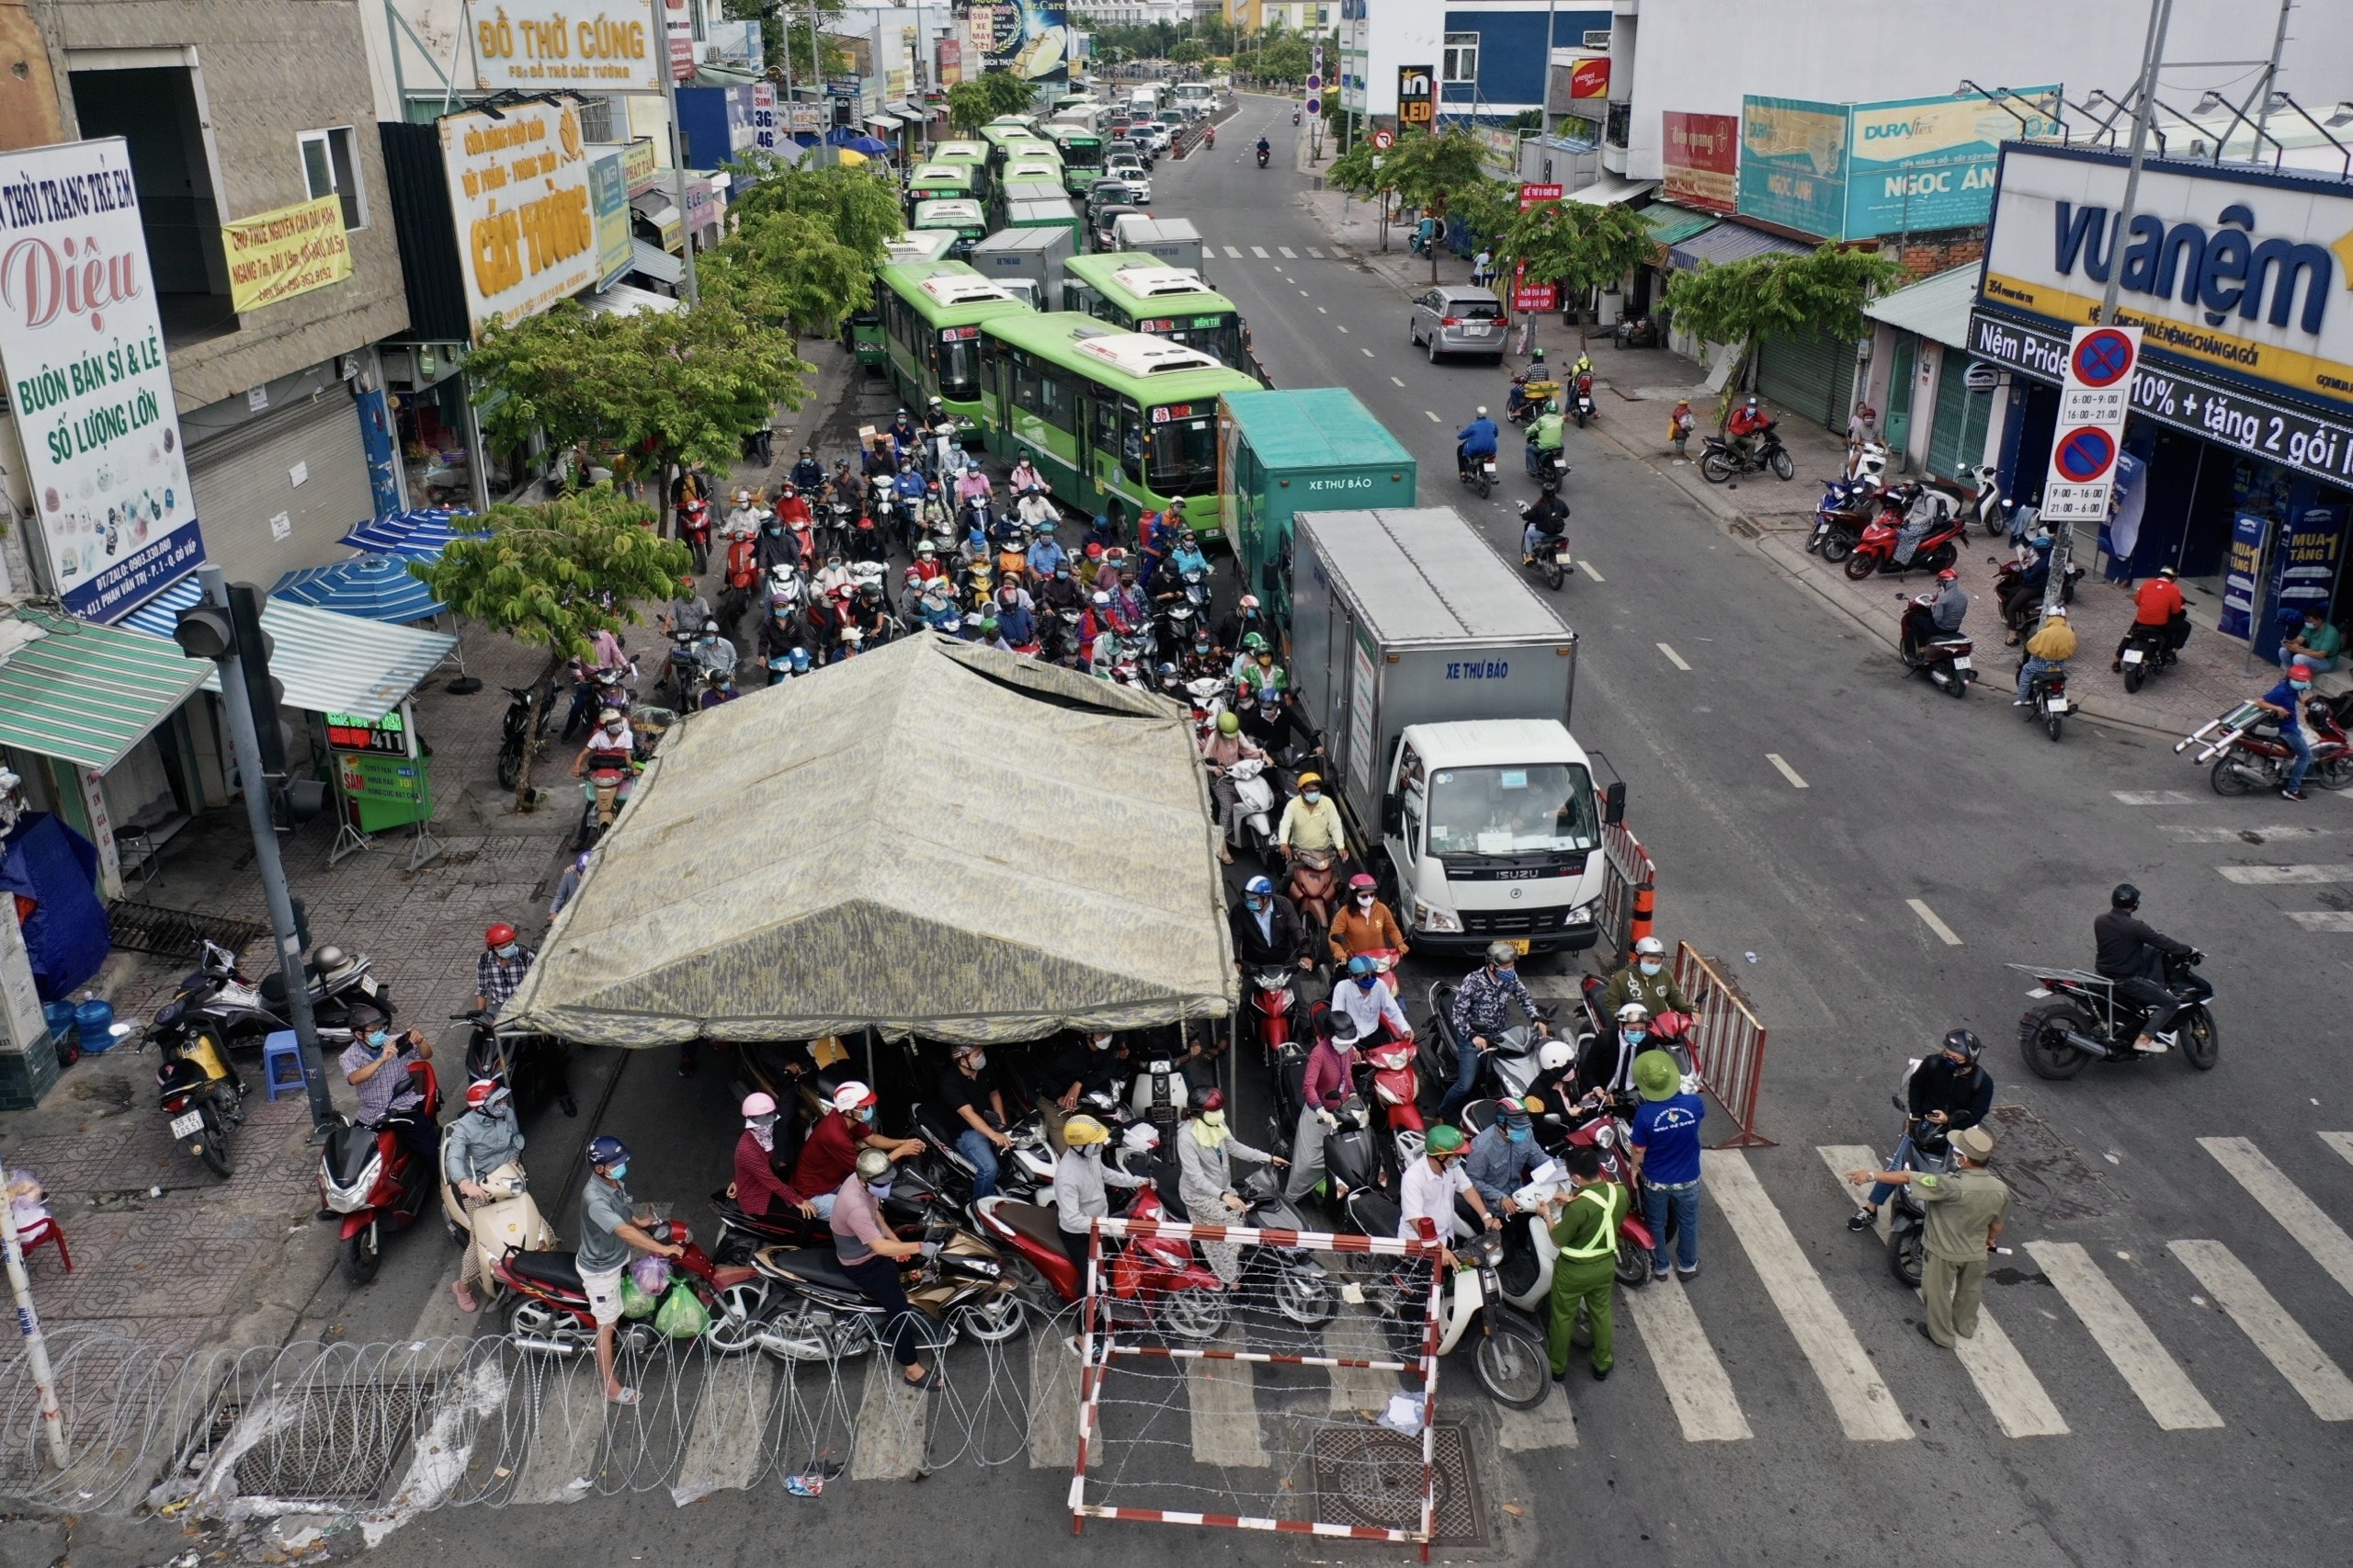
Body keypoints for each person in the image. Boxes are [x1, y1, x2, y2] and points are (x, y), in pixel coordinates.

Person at [1847, 1125, 2008, 1349]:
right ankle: (1965, 1326)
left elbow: (1907, 1176)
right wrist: (1989, 1240)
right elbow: (1997, 1225)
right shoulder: (2000, 1188)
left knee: (1937, 1293)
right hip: (1976, 1253)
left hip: (1944, 1252)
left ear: (1965, 1160)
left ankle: (1941, 1336)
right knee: (1970, 1291)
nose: (1955, 1155)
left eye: (1958, 1153)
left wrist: (1871, 1175)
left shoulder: (1950, 1185)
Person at [1847, 1029, 1993, 1232]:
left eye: (1955, 1058)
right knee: (1897, 1167)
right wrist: (1915, 1114)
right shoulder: (1933, 1064)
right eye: (1947, 1054)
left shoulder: (1983, 1082)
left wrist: (1949, 1119)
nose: (1949, 1060)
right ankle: (1871, 1208)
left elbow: (1977, 1113)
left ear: (1969, 1059)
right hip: (1922, 1126)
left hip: (1956, 1131)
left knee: (1957, 1174)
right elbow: (1916, 1087)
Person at [578, 1135, 683, 1405]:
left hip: (616, 1258)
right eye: (617, 1163)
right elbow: (622, 1230)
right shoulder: (594, 1199)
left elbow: (625, 1214)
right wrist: (662, 1249)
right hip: (601, 1270)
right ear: (600, 1168)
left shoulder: (611, 1182)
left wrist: (640, 1221)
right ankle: (611, 1389)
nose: (622, 1166)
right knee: (607, 1326)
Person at [835, 1149, 941, 1390]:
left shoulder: (860, 1181)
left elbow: (877, 1216)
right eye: (881, 1183)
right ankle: (911, 1368)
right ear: (865, 1180)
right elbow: (880, 1247)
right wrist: (919, 1247)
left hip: (872, 1249)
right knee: (899, 1309)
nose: (886, 1185)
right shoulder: (855, 1207)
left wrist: (897, 1243)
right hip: (864, 1263)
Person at [1175, 1086, 1283, 1282]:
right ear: (1198, 1113)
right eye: (1214, 1111)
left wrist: (1267, 1158)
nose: (1219, 1114)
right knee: (1231, 1228)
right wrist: (1225, 1197)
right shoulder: (1186, 1138)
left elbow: (1234, 1147)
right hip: (1199, 1196)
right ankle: (1230, 1279)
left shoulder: (1216, 1123)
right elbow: (1196, 1179)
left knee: (1248, 1210)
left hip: (1222, 1188)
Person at [1540, 1144, 1627, 1381]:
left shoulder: (1577, 1208)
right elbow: (1599, 1210)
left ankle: (1557, 1367)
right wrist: (1572, 1199)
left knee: (1562, 1317)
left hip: (1573, 1271)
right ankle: (1602, 1363)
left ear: (1576, 1177)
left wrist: (1547, 1213)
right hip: (1605, 1266)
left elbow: (1557, 1240)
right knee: (1601, 1313)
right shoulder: (1619, 1192)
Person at [1438, 942, 1549, 1122]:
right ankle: (1442, 1113)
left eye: (1512, 966)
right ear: (1492, 966)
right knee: (1464, 1085)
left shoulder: (1510, 978)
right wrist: (1473, 1036)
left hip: (1499, 1033)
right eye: (1506, 967)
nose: (1510, 970)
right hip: (1472, 1038)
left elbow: (1523, 996)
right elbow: (1458, 1014)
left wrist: (1537, 1019)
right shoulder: (1473, 981)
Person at [442, 1079, 523, 1314]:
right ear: (482, 1106)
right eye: (497, 1101)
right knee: (481, 1242)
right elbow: (454, 1159)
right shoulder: (465, 1127)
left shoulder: (507, 1113)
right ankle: (463, 1286)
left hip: (509, 1178)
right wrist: (467, 1184)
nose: (504, 1103)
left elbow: (516, 1138)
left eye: (503, 1099)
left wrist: (514, 1158)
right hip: (480, 1187)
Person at [791, 1081, 922, 1219]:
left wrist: (902, 1143)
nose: (868, 1110)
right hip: (813, 1194)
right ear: (849, 1109)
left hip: (832, 1183)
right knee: (867, 1217)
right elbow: (866, 1171)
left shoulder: (850, 1119)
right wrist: (901, 1151)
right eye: (864, 1107)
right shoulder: (836, 1136)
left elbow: (871, 1138)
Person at [1628, 1050, 1703, 1280]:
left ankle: (1661, 1266)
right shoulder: (1694, 1104)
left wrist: (1633, 1169)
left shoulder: (1645, 1114)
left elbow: (1639, 1149)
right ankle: (1688, 1266)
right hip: (1689, 1178)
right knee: (1688, 1223)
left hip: (1656, 1180)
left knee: (1655, 1222)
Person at [2095, 883, 2198, 1052]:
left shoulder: (2100, 920)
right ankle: (2144, 1039)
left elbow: (2118, 943)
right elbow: (2163, 943)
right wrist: (2189, 950)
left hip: (2101, 975)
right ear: (2134, 905)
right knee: (2171, 1003)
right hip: (2124, 981)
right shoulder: (2136, 927)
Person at [1053, 1113, 1148, 1278]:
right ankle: (1084, 1303)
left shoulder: (1092, 1155)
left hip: (1100, 1221)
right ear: (1080, 1146)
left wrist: (1137, 1182)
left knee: (1113, 1260)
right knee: (1092, 1278)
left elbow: (1106, 1175)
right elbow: (1072, 1219)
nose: (1101, 1146)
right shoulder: (1066, 1177)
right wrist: (1110, 1228)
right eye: (1096, 1143)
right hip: (1078, 1235)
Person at [1284, 1015, 1362, 1204]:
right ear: (1330, 1036)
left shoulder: (1348, 1049)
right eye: (1343, 1042)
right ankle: (1289, 1199)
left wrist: (1352, 1093)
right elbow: (1308, 1087)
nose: (1346, 1046)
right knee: (1306, 1165)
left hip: (1342, 1112)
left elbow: (1347, 1076)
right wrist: (1321, 1111)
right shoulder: (1319, 1053)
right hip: (1318, 1115)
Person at [1399, 1124, 1499, 1262]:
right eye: (1456, 1155)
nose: (1458, 1159)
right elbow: (1415, 1220)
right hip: (1421, 1244)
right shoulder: (1413, 1178)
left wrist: (1486, 1217)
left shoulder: (1451, 1166)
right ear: (1440, 1156)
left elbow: (1467, 1189)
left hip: (1446, 1235)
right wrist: (1438, 1249)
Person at [940, 1041, 1013, 1199]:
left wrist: (1001, 1124)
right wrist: (993, 1135)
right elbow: (968, 1114)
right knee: (989, 1168)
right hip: (966, 1131)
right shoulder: (950, 1082)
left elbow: (994, 1093)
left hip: (989, 1123)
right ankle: (979, 1207)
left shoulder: (984, 1070)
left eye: (981, 1052)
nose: (982, 1057)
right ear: (962, 1060)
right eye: (977, 1054)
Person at [730, 1092, 813, 1221]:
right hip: (757, 1196)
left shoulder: (761, 1137)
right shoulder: (748, 1149)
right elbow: (770, 1181)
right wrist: (798, 1201)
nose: (767, 1124)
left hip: (766, 1181)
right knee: (804, 1218)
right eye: (761, 1119)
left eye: (769, 1116)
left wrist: (736, 1180)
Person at [1200, 710, 1267, 863]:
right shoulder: (1214, 738)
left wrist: (1261, 754)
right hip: (1221, 778)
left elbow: (1247, 749)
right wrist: (1214, 769)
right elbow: (1204, 761)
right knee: (1228, 808)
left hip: (1239, 773)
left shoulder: (1237, 734)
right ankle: (1222, 846)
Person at [1464, 1099, 1544, 1214]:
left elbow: (1537, 1156)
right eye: (1517, 1128)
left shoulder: (1526, 1132)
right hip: (1494, 1205)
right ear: (1502, 1126)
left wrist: (1558, 1166)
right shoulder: (1481, 1148)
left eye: (1523, 1127)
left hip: (1520, 1193)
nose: (1523, 1132)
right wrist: (1499, 1197)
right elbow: (1472, 1180)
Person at [2256, 661, 2319, 801]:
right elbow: (2259, 702)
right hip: (2287, 729)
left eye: (2302, 680)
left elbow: (2299, 698)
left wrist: (2309, 702)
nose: (2300, 682)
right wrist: (2278, 709)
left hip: (2290, 724)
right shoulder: (2281, 691)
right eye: (2298, 680)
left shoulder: (2292, 688)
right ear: (2290, 678)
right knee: (2305, 756)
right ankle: (2293, 789)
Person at [1599, 935, 1694, 1021]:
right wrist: (1622, 1019)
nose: (1654, 965)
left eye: (1657, 963)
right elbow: (1612, 1004)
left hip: (1660, 1026)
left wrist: (1690, 1010)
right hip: (1635, 1028)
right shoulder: (1622, 977)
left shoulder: (1665, 974)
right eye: (1650, 962)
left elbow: (1675, 996)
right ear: (1638, 957)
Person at [1574, 1002, 1653, 1106]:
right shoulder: (1604, 1039)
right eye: (1632, 1030)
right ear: (1621, 1025)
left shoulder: (1648, 1040)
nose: (1638, 1034)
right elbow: (1587, 1072)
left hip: (1634, 1094)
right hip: (1607, 1094)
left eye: (1642, 1030)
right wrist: (1598, 1090)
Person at [1230, 874, 1311, 971]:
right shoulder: (1239, 910)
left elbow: (1296, 930)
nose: (1249, 901)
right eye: (1247, 898)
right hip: (1253, 966)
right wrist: (1236, 961)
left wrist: (1304, 954)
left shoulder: (1284, 905)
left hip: (1283, 964)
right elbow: (1235, 937)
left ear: (1266, 898)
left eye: (1254, 899)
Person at [2114, 565, 2188, 670]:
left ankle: (2116, 661)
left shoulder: (2146, 584)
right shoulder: (2174, 590)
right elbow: (2176, 611)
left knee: (2129, 635)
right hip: (2160, 624)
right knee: (2186, 627)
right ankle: (2172, 653)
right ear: (2174, 578)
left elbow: (2137, 602)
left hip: (2141, 620)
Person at [1329, 953, 1411, 1045]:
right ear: (1354, 977)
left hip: (1373, 1036)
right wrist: (1350, 1047)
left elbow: (1393, 1011)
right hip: (1350, 1039)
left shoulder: (1380, 985)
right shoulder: (1342, 988)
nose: (1370, 979)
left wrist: (1405, 1029)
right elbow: (1338, 1019)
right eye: (1365, 977)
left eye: (1373, 975)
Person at [1327, 873, 1408, 965]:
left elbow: (1392, 929)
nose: (1369, 898)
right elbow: (1333, 935)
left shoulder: (1381, 909)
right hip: (1355, 962)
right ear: (1354, 895)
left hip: (1379, 962)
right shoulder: (1344, 913)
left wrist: (1399, 943)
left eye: (1372, 895)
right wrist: (1339, 952)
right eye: (1364, 896)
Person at [1275, 769, 1346, 861]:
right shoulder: (1292, 805)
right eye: (1309, 791)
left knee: (1334, 875)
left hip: (1324, 852)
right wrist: (1283, 844)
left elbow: (1335, 826)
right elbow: (1285, 826)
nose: (1313, 793)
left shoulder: (1327, 802)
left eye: (1316, 790)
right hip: (1300, 852)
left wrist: (1340, 847)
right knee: (1290, 872)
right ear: (1301, 791)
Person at [2014, 605, 2076, 706]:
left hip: (2040, 665)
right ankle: (2064, 698)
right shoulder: (2070, 633)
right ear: (2064, 618)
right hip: (2059, 666)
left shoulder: (2044, 633)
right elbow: (2072, 649)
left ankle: (2023, 698)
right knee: (2062, 679)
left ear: (2049, 618)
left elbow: (2031, 646)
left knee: (2026, 672)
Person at [474, 923, 534, 1014]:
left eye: (510, 945)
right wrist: (480, 1017)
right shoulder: (484, 961)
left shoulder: (526, 956)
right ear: (492, 948)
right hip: (499, 1008)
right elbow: (482, 990)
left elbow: (539, 983)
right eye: (503, 948)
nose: (508, 949)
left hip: (525, 1006)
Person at [2280, 606, 2342, 673]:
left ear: (2319, 620)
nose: (2308, 624)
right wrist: (2290, 643)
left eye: (2310, 622)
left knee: (2298, 658)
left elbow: (2321, 655)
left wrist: (2298, 650)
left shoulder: (2330, 632)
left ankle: (2297, 676)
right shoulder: (2309, 627)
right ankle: (2291, 672)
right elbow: (2298, 640)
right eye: (2306, 622)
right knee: (2283, 650)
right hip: (2311, 654)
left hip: (2326, 662)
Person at [1521, 490, 1569, 562]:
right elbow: (1566, 514)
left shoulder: (1540, 505)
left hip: (1544, 531)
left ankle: (1529, 556)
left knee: (1528, 534)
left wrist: (1523, 514)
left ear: (1543, 493)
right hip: (1557, 530)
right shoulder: (1560, 503)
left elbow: (1527, 516)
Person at [1526, 399, 1565, 478]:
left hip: (1544, 446)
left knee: (1529, 449)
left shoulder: (1541, 420)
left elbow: (1530, 431)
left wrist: (1526, 431)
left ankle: (1535, 469)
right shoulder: (1561, 419)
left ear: (1546, 409)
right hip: (1558, 447)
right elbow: (1562, 428)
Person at [548, 849, 593, 919]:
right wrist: (553, 912)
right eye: (581, 874)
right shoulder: (570, 873)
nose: (582, 878)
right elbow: (560, 896)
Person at [1456, 406, 1499, 479]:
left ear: (1477, 415)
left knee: (1460, 449)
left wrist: (1460, 434)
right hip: (1491, 449)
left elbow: (1461, 436)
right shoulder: (1492, 424)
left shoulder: (1474, 425)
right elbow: (1496, 434)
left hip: (1476, 448)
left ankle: (1463, 472)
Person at [1728, 395, 1770, 464]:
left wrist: (1760, 427)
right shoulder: (1739, 413)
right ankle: (1741, 455)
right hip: (1734, 433)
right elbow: (1732, 426)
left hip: (1745, 435)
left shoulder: (1756, 414)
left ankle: (1748, 463)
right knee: (1729, 443)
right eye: (1750, 406)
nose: (1752, 408)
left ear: (1756, 407)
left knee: (1752, 443)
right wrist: (1742, 433)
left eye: (1754, 407)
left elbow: (1765, 421)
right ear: (1746, 406)